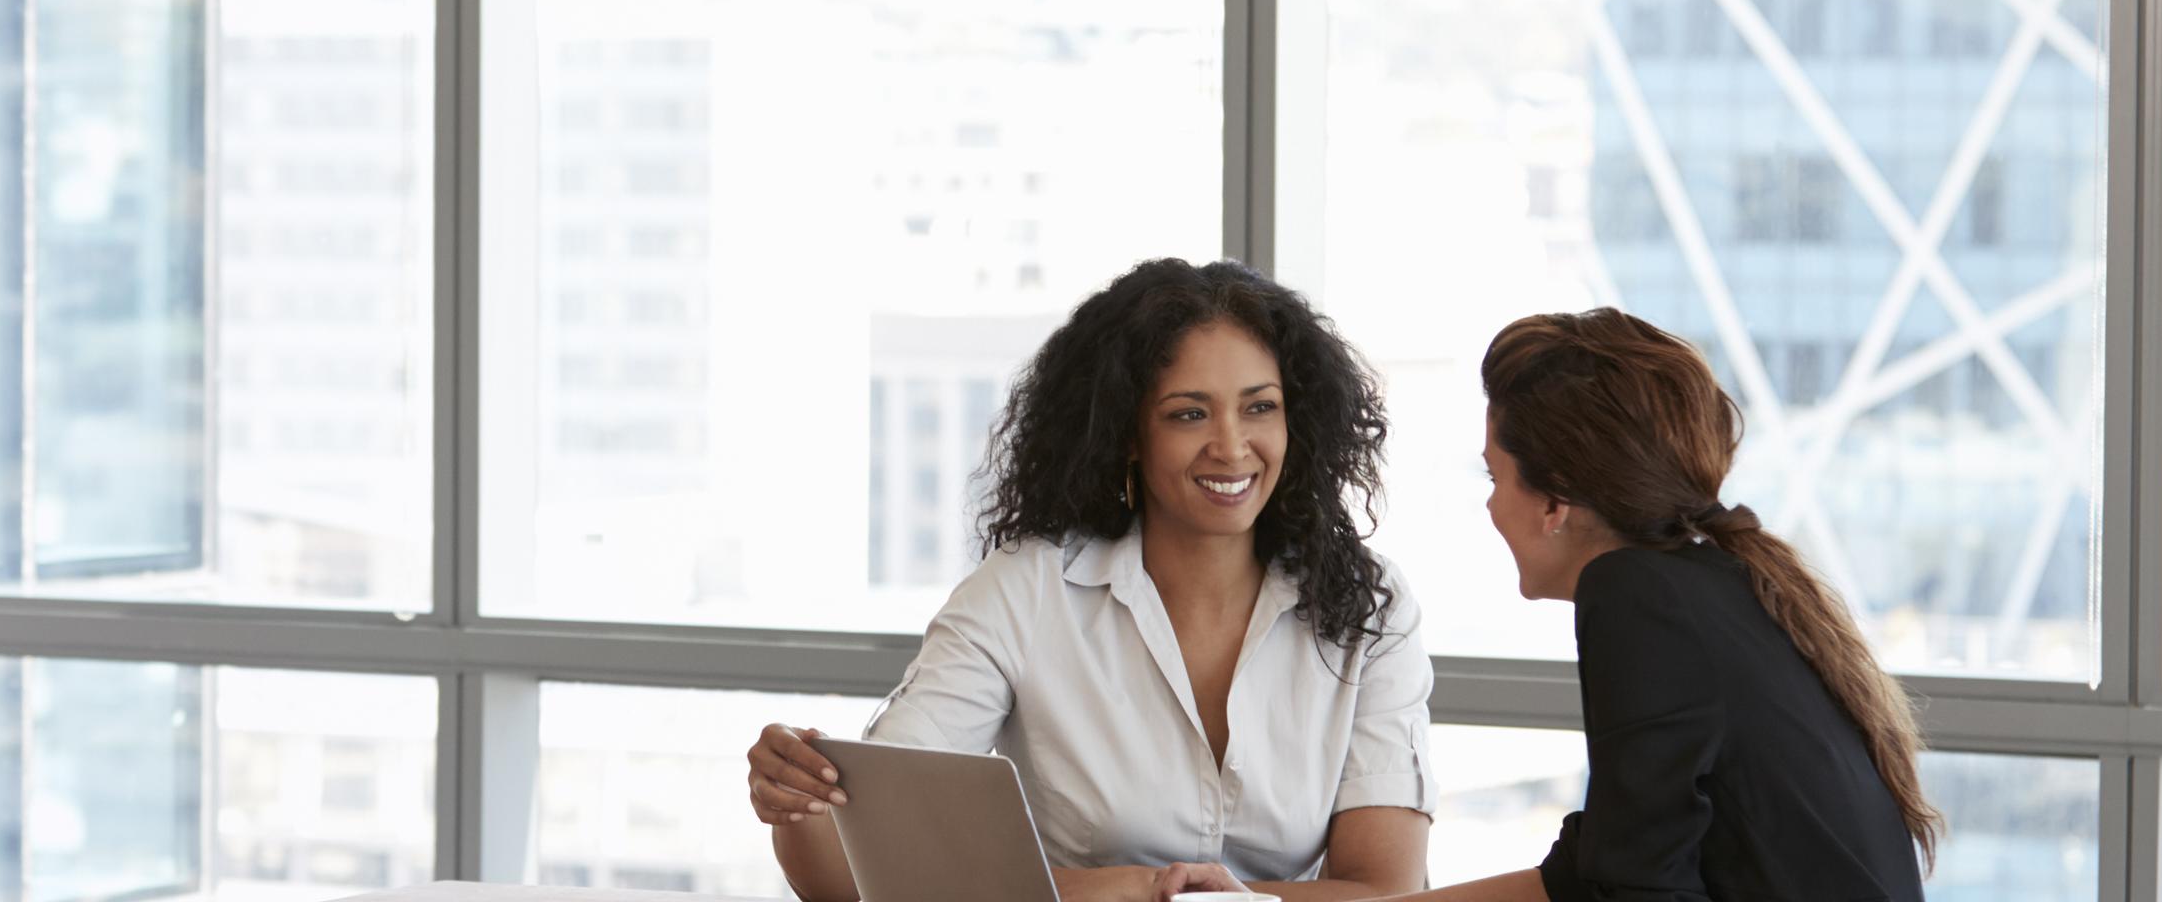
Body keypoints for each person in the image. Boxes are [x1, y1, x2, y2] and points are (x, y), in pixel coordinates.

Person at [745, 259, 1434, 902]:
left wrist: (1165, 897)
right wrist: (795, 798)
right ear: (1127, 433)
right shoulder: (1027, 590)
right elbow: (868, 862)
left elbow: (1386, 890)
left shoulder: (1370, 607)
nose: (1231, 445)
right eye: (1188, 413)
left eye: (1259, 407)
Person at [1319, 308, 1937, 902]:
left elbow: (1633, 889)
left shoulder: (1634, 593)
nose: (1490, 507)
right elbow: (1597, 879)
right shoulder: (1715, 584)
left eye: (1495, 478)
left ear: (1554, 504)